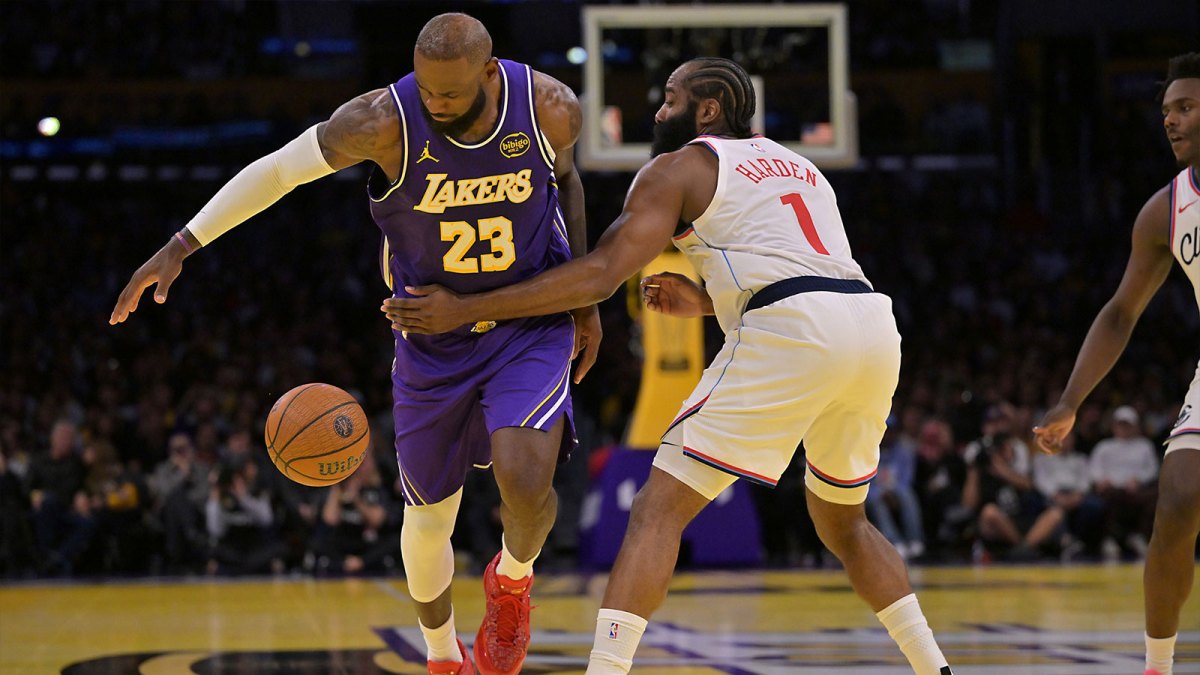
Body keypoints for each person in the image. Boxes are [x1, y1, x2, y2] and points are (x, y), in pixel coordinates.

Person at [387, 57, 953, 675]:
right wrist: (712, 302)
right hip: (871, 329)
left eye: (670, 98)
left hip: (796, 332)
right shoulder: (805, 169)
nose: (658, 112)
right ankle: (934, 667)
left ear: (706, 111)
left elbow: (601, 276)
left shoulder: (680, 167)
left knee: (658, 511)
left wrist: (465, 307)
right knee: (844, 523)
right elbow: (804, 272)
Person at [108, 12, 601, 675]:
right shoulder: (381, 121)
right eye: (427, 90)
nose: (436, 104)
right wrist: (181, 245)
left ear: (490, 73)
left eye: (451, 94)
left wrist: (583, 298)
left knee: (526, 477)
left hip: (526, 321)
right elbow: (280, 171)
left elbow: (566, 181)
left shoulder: (548, 109)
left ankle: (511, 581)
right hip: (431, 334)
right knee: (428, 517)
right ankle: (440, 655)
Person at [1034, 52, 1200, 675]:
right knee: (1179, 499)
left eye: (1185, 107)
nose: (1171, 121)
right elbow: (1119, 313)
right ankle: (1158, 665)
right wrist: (1071, 400)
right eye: (1166, 111)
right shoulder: (1165, 209)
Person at [1089, 405, 1159, 560]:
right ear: (1114, 426)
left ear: (1135, 426)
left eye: (1127, 425)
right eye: (1121, 424)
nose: (1124, 428)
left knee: (1155, 497)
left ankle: (1141, 536)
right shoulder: (1104, 447)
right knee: (1109, 498)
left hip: (1137, 489)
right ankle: (1109, 539)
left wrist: (1138, 480)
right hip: (1112, 489)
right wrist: (1102, 480)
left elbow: (1152, 469)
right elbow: (1094, 469)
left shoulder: (1144, 446)